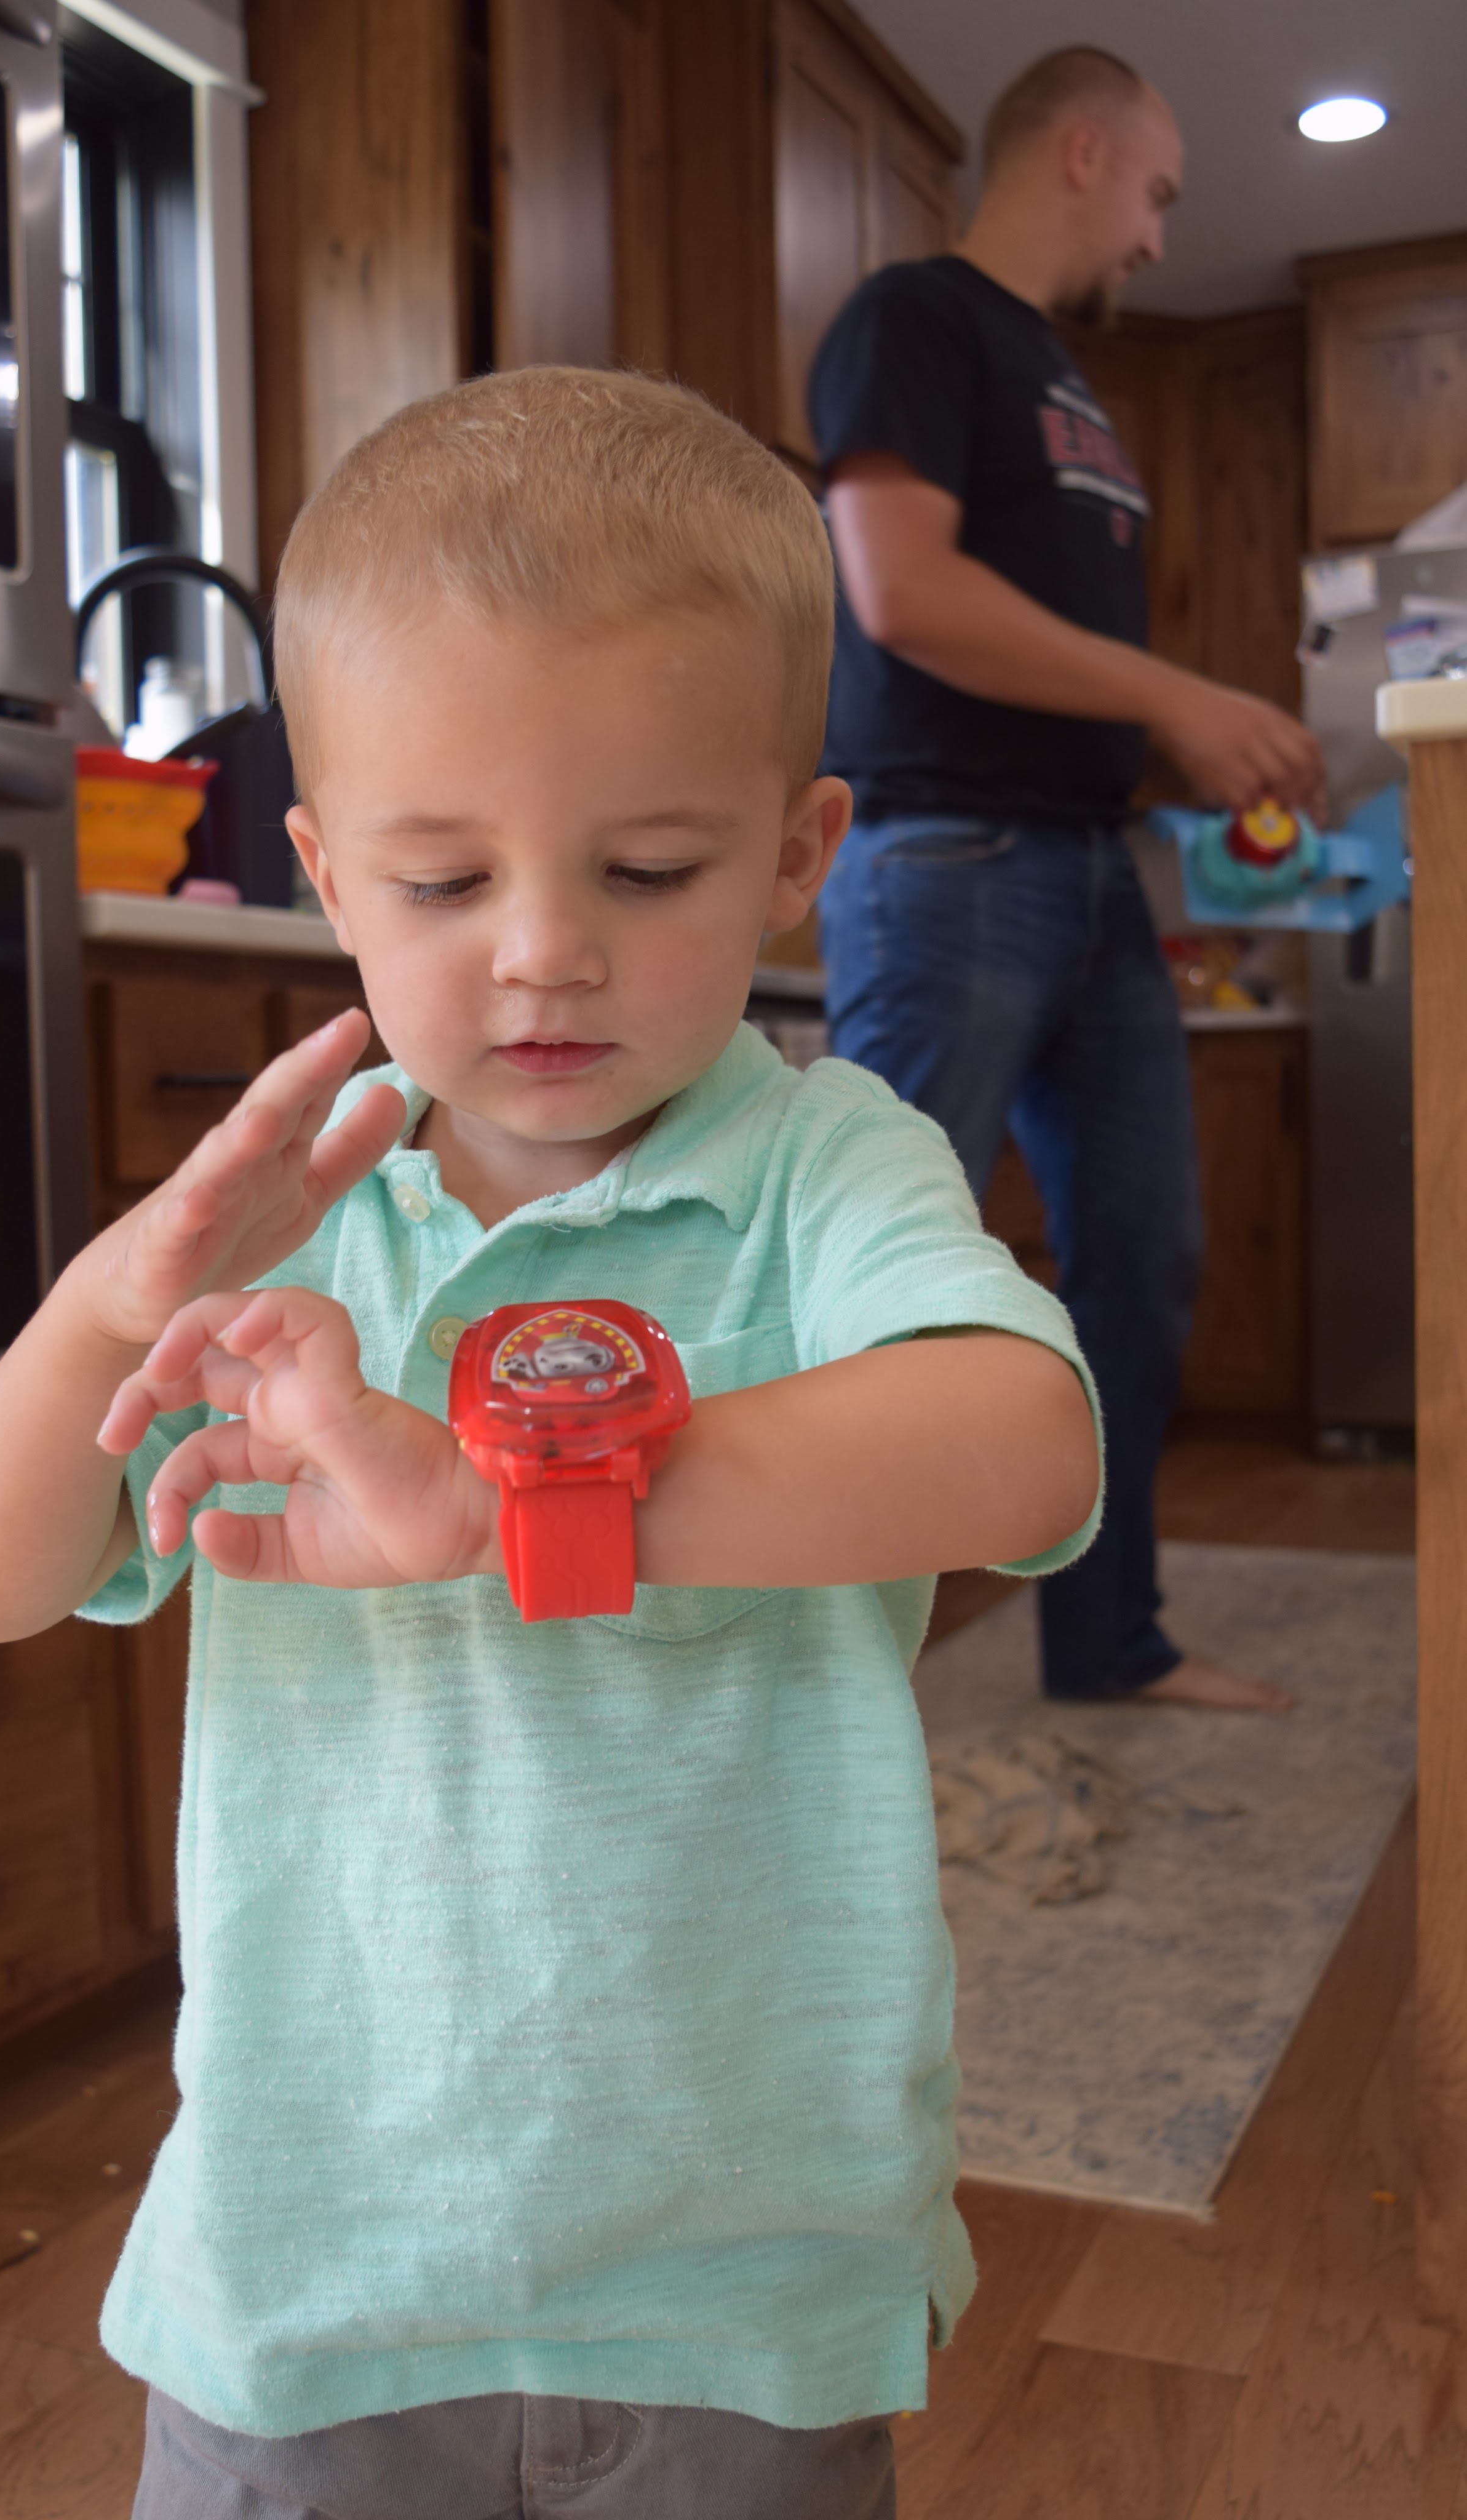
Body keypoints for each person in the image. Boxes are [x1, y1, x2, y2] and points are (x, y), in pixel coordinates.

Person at [0, 369, 1100, 2520]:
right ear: (323, 874)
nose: (545, 951)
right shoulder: (282, 1223)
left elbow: (1023, 1446)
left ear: (795, 856)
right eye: (444, 877)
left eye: (647, 868)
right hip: (310, 2265)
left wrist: (498, 1505)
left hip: (737, 2274)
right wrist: (104, 1302)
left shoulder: (824, 1167)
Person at [808, 47, 1322, 1715]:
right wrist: (1178, 694)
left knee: (1144, 1264)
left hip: (1091, 877)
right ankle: (799, 1693)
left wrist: (1177, 752)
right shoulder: (915, 317)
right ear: (1083, 153)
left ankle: (1107, 1643)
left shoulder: (1066, 381)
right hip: (943, 866)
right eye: (1158, 193)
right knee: (867, 1278)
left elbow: (1036, 654)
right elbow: (899, 593)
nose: (1161, 239)